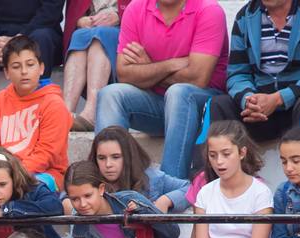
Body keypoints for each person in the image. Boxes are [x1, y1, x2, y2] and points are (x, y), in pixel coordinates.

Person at [93, 0, 229, 181]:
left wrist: (149, 68)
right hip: (157, 104)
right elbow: (124, 73)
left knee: (178, 92)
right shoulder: (136, 8)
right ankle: (111, 186)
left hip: (202, 107)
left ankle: (171, 186)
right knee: (110, 94)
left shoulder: (209, 10)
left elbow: (197, 78)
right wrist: (171, 65)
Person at [218, 0, 300, 140]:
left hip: (298, 104)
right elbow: (237, 73)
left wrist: (279, 98)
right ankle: (208, 162)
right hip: (258, 110)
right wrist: (249, 101)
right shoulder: (245, 16)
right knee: (217, 105)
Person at [0, 36, 73, 186]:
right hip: (1, 174)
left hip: (46, 174)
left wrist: (12, 175)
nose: (24, 71)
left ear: (41, 68)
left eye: (30, 65)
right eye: (16, 66)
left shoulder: (54, 103)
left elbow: (46, 154)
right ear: (7, 72)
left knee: (26, 194)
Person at [81, 127, 188, 215]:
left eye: (116, 157)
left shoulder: (152, 177)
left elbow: (191, 189)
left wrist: (165, 200)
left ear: (128, 156)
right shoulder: (88, 180)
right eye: (101, 158)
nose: (108, 164)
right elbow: (68, 197)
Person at [61, 0, 128, 130]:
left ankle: (91, 113)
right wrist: (80, 21)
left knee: (101, 34)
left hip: (123, 27)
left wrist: (120, 15)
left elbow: (144, 6)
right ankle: (65, 112)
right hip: (90, 28)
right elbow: (75, 10)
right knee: (78, 35)